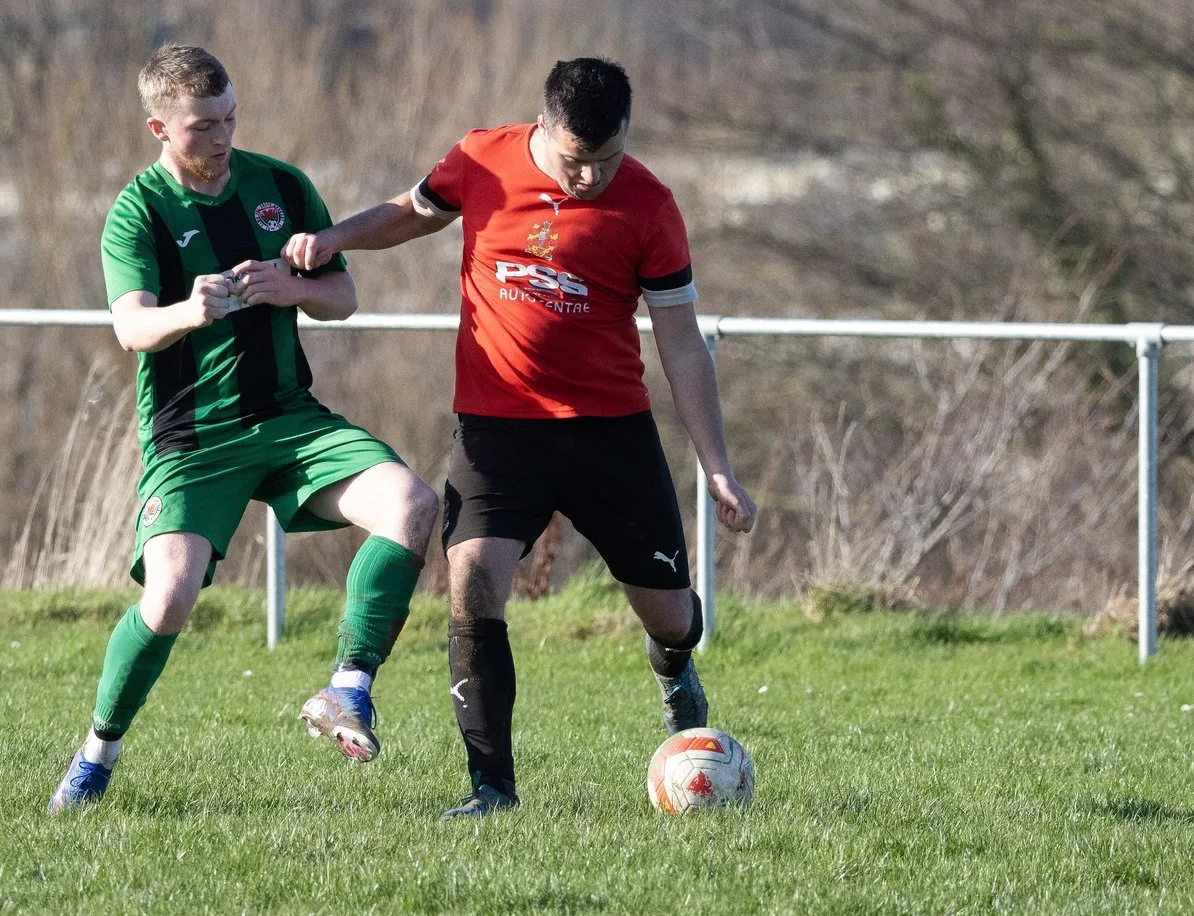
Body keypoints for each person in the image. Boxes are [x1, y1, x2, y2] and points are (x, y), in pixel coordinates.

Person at [284, 57, 758, 816]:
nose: (590, 178)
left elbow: (680, 341)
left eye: (606, 160)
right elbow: (414, 210)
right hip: (498, 430)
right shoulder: (482, 158)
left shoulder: (650, 206)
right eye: (576, 160)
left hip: (610, 435)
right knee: (472, 583)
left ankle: (673, 671)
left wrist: (718, 467)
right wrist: (334, 238)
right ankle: (491, 790)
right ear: (543, 128)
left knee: (673, 617)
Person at [48, 46, 438, 811]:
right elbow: (130, 329)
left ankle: (346, 692)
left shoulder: (282, 186)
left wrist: (291, 285)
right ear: (159, 126)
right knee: (167, 601)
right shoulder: (138, 210)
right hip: (193, 443)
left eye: (230, 118)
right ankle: (97, 754)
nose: (222, 136)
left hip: (291, 423)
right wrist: (192, 311)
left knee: (413, 506)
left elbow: (343, 298)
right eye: (202, 126)